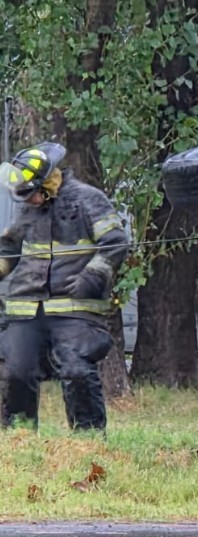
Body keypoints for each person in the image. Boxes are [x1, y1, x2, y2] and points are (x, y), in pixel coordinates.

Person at [0, 142, 127, 431]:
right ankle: (19, 435)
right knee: (16, 370)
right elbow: (8, 249)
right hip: (27, 306)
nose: (27, 200)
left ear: (47, 183)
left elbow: (115, 242)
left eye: (30, 194)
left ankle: (88, 437)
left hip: (75, 307)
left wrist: (91, 277)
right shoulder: (27, 209)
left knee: (76, 369)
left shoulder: (88, 199)